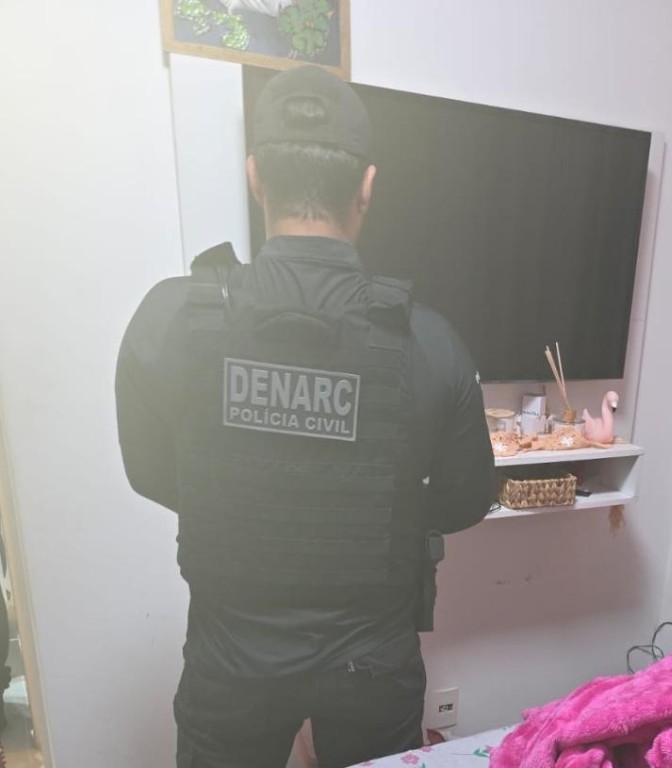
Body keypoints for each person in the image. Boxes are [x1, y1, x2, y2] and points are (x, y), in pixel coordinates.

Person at [115, 65, 495, 768]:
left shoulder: (168, 318)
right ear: (367, 186)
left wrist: (243, 496)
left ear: (255, 176)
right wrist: (378, 511)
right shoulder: (430, 341)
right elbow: (469, 496)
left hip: (230, 657)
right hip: (371, 659)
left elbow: (151, 473)